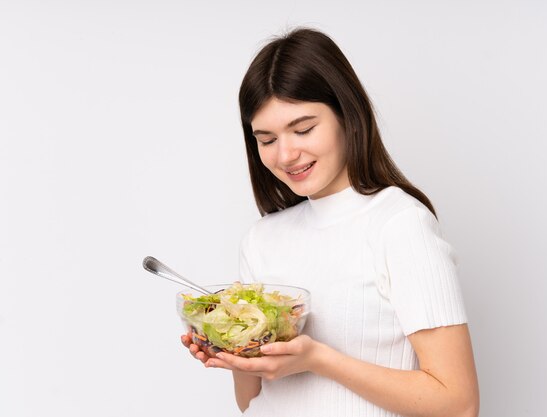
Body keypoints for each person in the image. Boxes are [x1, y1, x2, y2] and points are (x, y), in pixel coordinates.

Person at [181, 27, 479, 417]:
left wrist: (319, 360)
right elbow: (251, 401)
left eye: (303, 129)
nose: (286, 154)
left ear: (346, 115)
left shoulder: (399, 224)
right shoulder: (262, 239)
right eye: (266, 139)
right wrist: (230, 348)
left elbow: (458, 403)